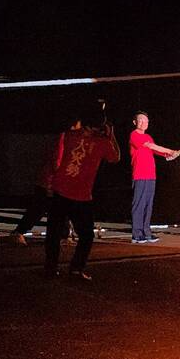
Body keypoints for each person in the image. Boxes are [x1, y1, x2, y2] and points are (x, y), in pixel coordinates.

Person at [44, 108, 120, 281]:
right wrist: (111, 135)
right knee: (86, 235)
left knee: (54, 233)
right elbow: (115, 158)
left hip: (60, 190)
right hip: (81, 196)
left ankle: (50, 268)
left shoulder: (69, 135)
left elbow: (56, 156)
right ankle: (76, 269)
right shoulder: (102, 142)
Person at [10, 131, 66, 246]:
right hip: (49, 182)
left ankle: (63, 235)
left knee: (59, 208)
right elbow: (57, 161)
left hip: (52, 181)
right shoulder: (63, 138)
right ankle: (19, 232)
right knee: (40, 208)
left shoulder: (65, 138)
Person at [129, 111, 175, 244]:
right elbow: (150, 146)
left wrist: (168, 155)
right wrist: (168, 150)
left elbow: (155, 150)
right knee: (139, 204)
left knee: (148, 205)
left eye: (146, 120)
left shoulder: (148, 136)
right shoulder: (134, 135)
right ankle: (136, 235)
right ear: (135, 122)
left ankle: (146, 232)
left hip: (151, 175)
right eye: (140, 120)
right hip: (139, 175)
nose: (143, 122)